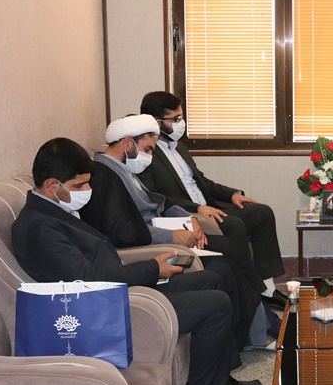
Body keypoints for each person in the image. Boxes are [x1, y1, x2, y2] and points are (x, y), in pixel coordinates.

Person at [11, 138, 261, 385]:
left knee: (212, 277)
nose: (88, 190)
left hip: (117, 287)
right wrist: (153, 268)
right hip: (103, 309)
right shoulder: (41, 227)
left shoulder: (54, 210)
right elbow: (89, 281)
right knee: (215, 305)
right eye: (80, 185)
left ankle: (218, 379)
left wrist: (152, 268)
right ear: (53, 185)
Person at [80, 114, 278, 350]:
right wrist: (172, 236)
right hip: (151, 247)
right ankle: (257, 330)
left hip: (164, 231)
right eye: (147, 149)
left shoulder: (124, 168)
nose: (149, 157)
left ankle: (259, 327)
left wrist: (189, 218)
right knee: (223, 262)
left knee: (229, 248)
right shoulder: (103, 175)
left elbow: (158, 202)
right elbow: (122, 232)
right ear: (127, 142)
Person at [137, 91, 287, 310]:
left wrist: (232, 194)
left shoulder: (179, 148)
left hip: (209, 207)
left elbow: (202, 182)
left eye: (181, 117)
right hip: (188, 215)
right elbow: (156, 197)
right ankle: (251, 293)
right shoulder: (147, 154)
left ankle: (268, 288)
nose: (181, 123)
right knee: (234, 225)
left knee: (261, 213)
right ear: (157, 123)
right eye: (175, 119)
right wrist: (197, 208)